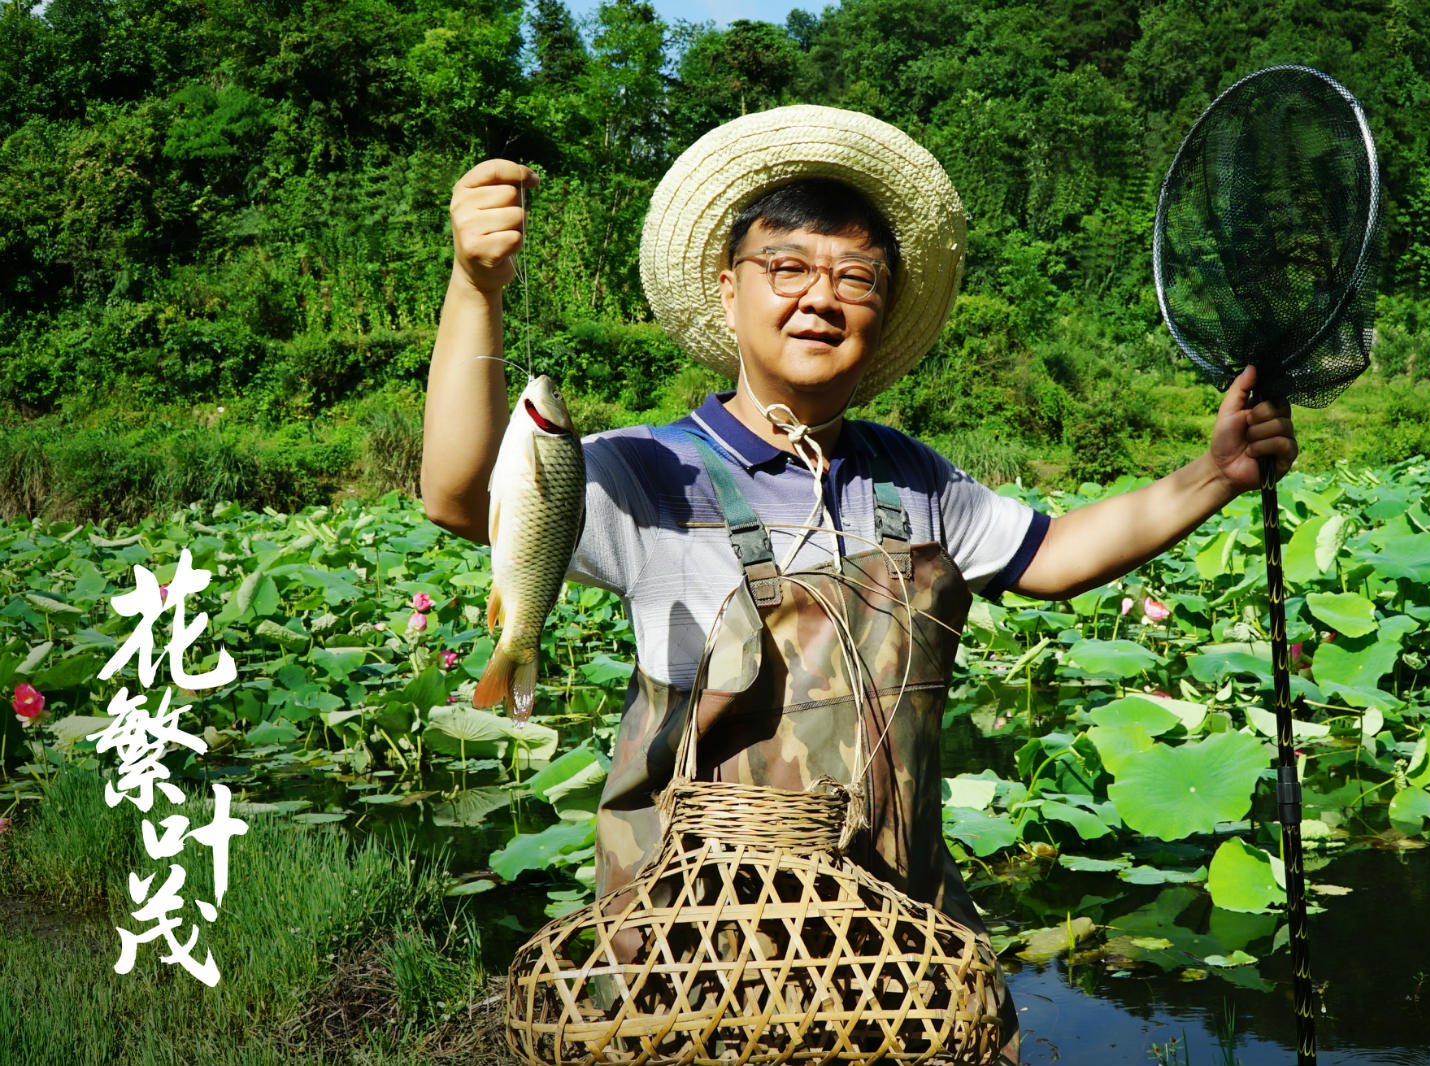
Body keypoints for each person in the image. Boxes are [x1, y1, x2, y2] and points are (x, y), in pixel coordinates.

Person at [422, 105, 1297, 1058]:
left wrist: (1215, 474)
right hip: (692, 951)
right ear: (728, 293)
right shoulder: (644, 473)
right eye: (786, 269)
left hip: (892, 941)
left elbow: (1052, 555)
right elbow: (461, 495)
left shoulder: (911, 478)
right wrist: (476, 287)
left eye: (855, 278)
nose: (819, 299)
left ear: (881, 311)